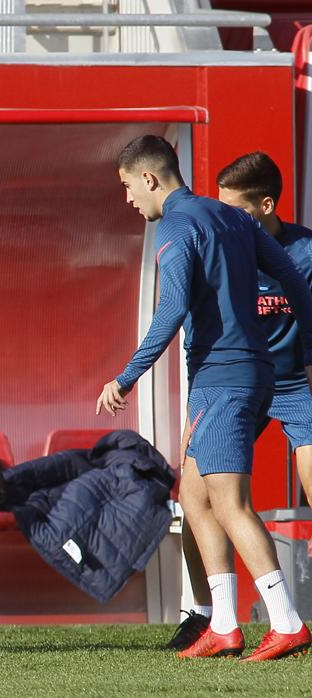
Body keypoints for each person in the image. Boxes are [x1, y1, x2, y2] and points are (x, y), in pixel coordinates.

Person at [98, 136, 312, 661]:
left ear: (150, 178)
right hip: (250, 373)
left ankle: (286, 622)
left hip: (224, 378)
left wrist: (125, 377)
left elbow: (170, 310)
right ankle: (222, 622)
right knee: (193, 494)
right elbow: (290, 278)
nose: (127, 199)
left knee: (230, 503)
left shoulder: (178, 223)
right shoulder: (233, 218)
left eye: (127, 186)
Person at [165, 152, 312, 652]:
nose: (225, 214)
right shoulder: (225, 243)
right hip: (235, 384)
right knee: (193, 491)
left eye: (237, 207)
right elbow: (192, 319)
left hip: (294, 386)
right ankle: (209, 615)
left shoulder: (304, 252)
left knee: (282, 492)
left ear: (267, 205)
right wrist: (197, 408)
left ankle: (284, 622)